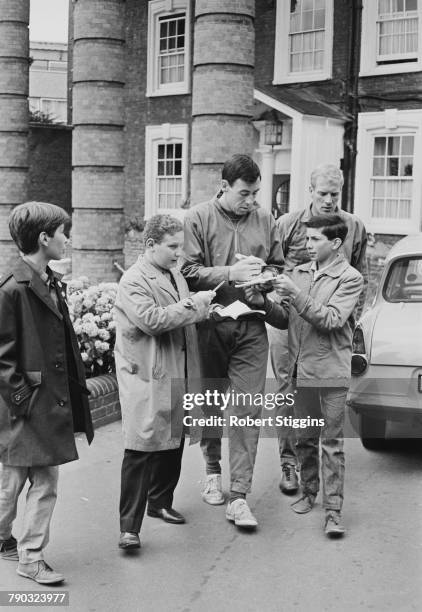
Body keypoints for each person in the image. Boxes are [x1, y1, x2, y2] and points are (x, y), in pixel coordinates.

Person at [181, 154, 284, 528]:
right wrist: (230, 272)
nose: (252, 201)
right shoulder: (197, 218)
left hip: (251, 328)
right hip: (209, 326)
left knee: (247, 409)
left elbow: (278, 265)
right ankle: (211, 469)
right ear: (224, 187)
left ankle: (239, 496)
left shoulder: (265, 219)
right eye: (245, 193)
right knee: (210, 403)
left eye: (256, 193)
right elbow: (187, 272)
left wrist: (264, 280)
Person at [245, 214, 363, 537]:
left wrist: (295, 293)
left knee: (333, 444)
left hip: (330, 373)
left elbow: (331, 319)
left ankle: (334, 511)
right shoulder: (299, 274)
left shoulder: (350, 278)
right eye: (306, 239)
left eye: (315, 240)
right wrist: (262, 303)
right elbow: (286, 319)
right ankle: (310, 493)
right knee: (306, 439)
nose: (307, 245)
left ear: (336, 244)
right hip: (300, 369)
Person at [0, 201, 94, 584]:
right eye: (63, 233)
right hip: (26, 405)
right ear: (44, 238)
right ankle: (19, 548)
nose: (67, 240)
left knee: (39, 481)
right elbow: (2, 358)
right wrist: (23, 400)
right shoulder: (12, 289)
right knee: (15, 482)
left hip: (46, 403)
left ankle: (26, 551)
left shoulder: (48, 279)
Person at [114, 214, 215, 551]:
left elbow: (180, 315)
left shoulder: (172, 273)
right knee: (140, 446)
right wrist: (195, 305)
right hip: (147, 374)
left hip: (178, 369)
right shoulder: (133, 280)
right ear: (150, 245)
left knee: (176, 436)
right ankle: (129, 527)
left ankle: (159, 501)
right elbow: (152, 320)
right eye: (172, 247)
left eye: (180, 247)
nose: (178, 254)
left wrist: (203, 311)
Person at [268, 164, 368, 495]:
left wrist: (349, 318)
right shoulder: (286, 224)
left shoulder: (352, 225)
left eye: (334, 194)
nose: (328, 200)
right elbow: (272, 268)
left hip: (328, 323)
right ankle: (289, 463)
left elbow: (360, 274)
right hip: (290, 323)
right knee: (288, 389)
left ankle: (321, 464)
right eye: (322, 193)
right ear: (310, 191)